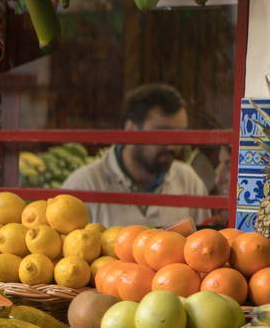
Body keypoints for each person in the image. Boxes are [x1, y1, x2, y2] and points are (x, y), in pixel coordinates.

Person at [61, 83, 210, 227]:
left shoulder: (189, 181)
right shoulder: (84, 185)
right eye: (163, 134)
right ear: (131, 129)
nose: (172, 146)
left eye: (180, 135)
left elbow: (207, 241)